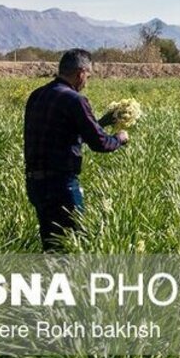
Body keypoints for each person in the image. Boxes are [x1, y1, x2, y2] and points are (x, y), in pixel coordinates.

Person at [24, 48, 127, 251]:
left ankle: (51, 280)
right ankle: (73, 282)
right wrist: (119, 139)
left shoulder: (37, 95)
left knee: (52, 245)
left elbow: (66, 133)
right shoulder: (75, 100)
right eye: (87, 76)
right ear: (80, 73)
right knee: (76, 245)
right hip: (61, 186)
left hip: (35, 184)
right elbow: (99, 143)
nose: (87, 81)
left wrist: (104, 121)